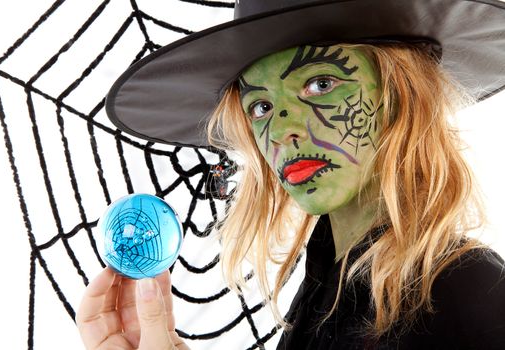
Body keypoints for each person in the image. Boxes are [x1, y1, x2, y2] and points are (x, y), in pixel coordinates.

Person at [77, 0, 505, 349]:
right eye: (260, 107)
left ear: (399, 96)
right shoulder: (320, 295)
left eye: (320, 84)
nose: (282, 130)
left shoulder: (470, 294)